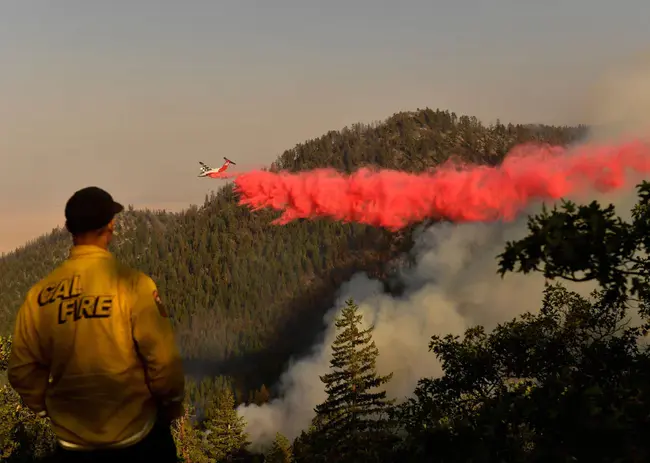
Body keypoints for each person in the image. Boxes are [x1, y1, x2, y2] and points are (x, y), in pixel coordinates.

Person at [7, 186, 185, 463]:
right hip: (138, 437)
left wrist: (47, 408)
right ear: (110, 227)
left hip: (72, 444)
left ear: (68, 228)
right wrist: (171, 406)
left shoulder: (39, 296)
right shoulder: (135, 285)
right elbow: (162, 361)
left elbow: (20, 369)